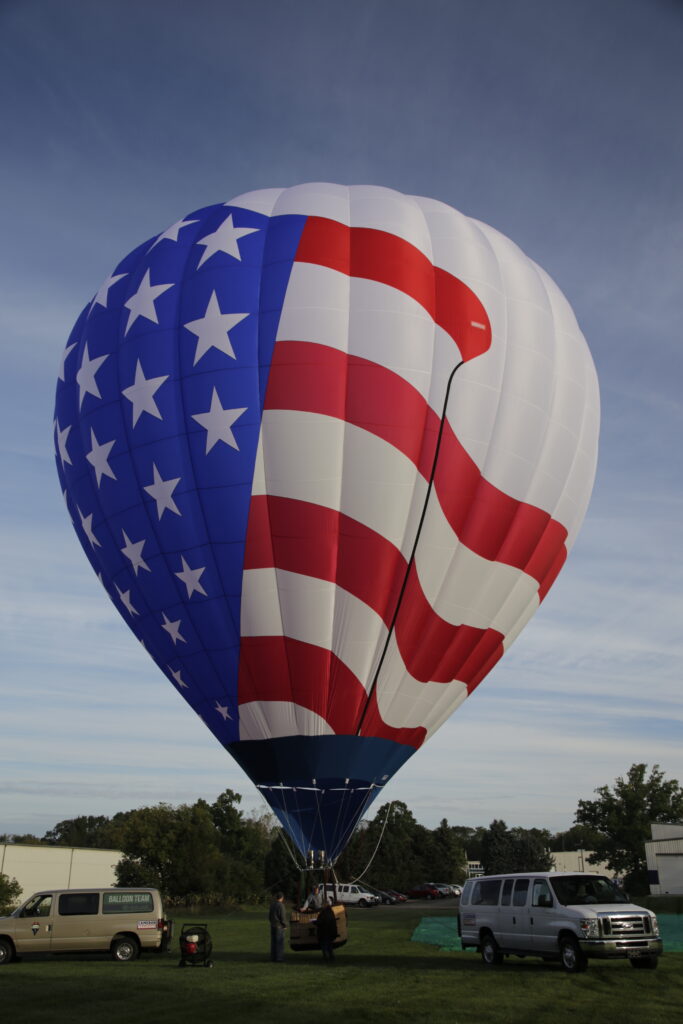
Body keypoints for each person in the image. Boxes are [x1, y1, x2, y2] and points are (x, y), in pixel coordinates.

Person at [268, 891, 287, 962]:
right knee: (279, 942)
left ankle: (273, 957)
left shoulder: (272, 905)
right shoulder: (281, 905)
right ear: (282, 898)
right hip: (279, 926)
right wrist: (285, 925)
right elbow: (282, 917)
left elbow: (269, 916)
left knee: (273, 942)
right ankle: (279, 958)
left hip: (273, 925)